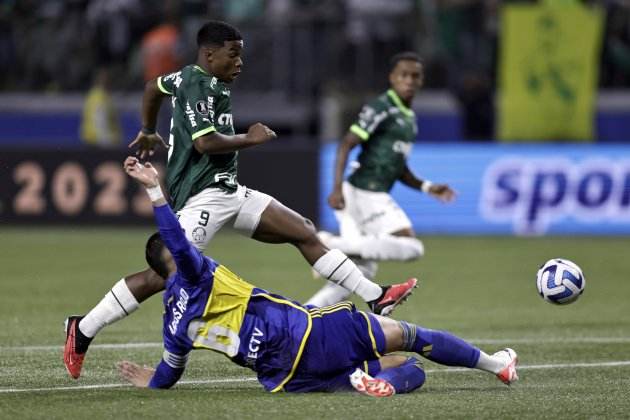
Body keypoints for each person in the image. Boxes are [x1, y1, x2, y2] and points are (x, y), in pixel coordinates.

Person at [64, 21, 417, 380]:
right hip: (202, 199)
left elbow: (151, 87)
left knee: (304, 232)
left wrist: (147, 129)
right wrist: (250, 138)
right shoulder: (200, 85)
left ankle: (376, 296)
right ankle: (83, 328)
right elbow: (205, 142)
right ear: (210, 54)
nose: (240, 63)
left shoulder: (189, 77)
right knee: (162, 277)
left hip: (228, 191)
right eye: (233, 55)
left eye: (241, 55)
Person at [115, 157, 519, 396]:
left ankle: (381, 381)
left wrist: (151, 382)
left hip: (285, 378)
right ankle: (496, 365)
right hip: (307, 334)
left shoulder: (173, 323)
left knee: (405, 367)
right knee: (410, 337)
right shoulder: (193, 271)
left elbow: (169, 372)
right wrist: (155, 191)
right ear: (172, 258)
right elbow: (179, 246)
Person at [306, 52, 456, 307]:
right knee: (412, 247)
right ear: (392, 78)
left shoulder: (408, 118)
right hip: (363, 191)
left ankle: (304, 316)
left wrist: (428, 187)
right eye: (403, 75)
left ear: (421, 81)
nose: (409, 80)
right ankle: (332, 243)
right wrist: (336, 188)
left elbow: (400, 168)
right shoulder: (381, 107)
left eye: (415, 76)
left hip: (371, 193)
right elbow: (346, 144)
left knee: (359, 274)